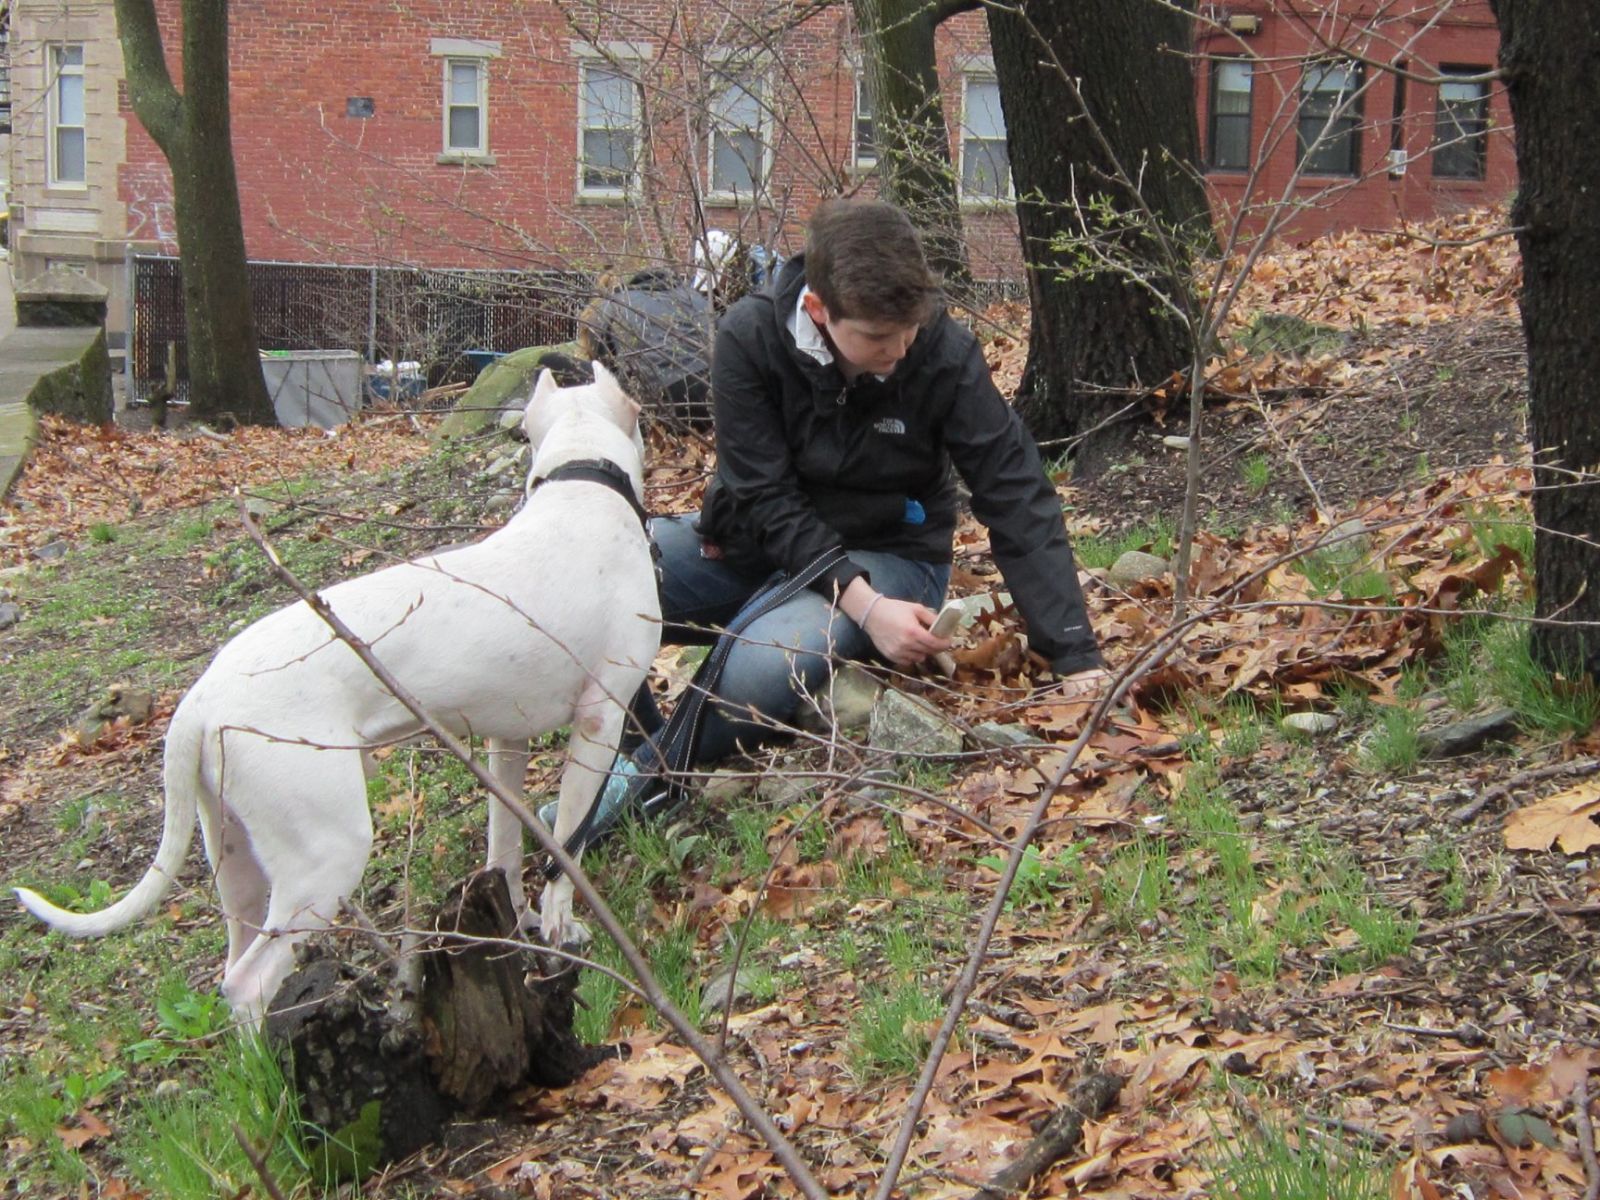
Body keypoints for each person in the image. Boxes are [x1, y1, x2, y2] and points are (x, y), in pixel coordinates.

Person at [554, 199, 1108, 844]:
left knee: (763, 667)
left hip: (890, 556)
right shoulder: (748, 337)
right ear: (819, 310)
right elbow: (764, 496)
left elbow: (1015, 492)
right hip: (755, 541)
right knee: (588, 575)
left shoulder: (944, 353)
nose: (900, 351)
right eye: (877, 337)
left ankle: (639, 783)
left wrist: (1074, 653)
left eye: (910, 330)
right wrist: (863, 609)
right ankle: (635, 734)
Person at [578, 264, 716, 426]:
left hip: (655, 398)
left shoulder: (612, 306)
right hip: (711, 392)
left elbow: (602, 370)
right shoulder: (695, 298)